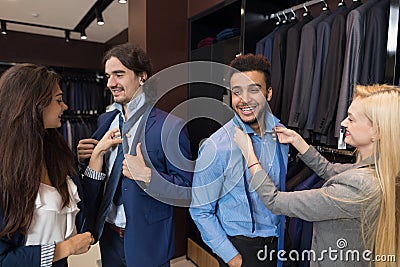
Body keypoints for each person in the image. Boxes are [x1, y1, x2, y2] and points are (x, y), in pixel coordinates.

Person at [234, 84, 400, 266]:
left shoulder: (359, 187)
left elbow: (275, 201)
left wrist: (249, 153)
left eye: (351, 119)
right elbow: (329, 170)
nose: (343, 123)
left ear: (376, 132)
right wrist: (297, 140)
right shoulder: (381, 170)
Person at [77, 43, 193, 267]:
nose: (111, 83)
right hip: (108, 236)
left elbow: (186, 193)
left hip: (149, 242)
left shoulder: (170, 127)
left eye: (119, 74)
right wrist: (89, 160)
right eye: (108, 76)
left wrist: (149, 177)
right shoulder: (105, 122)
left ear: (142, 77)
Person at [190, 54, 289, 267]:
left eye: (254, 90)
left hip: (281, 244)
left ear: (268, 93)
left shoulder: (284, 137)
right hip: (242, 250)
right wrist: (232, 258)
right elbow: (200, 210)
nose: (244, 99)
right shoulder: (216, 147)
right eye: (237, 92)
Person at [0, 63, 94, 267]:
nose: (66, 106)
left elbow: (82, 206)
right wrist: (65, 248)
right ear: (35, 103)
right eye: (59, 100)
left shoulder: (57, 152)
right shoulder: (5, 171)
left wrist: (95, 162)